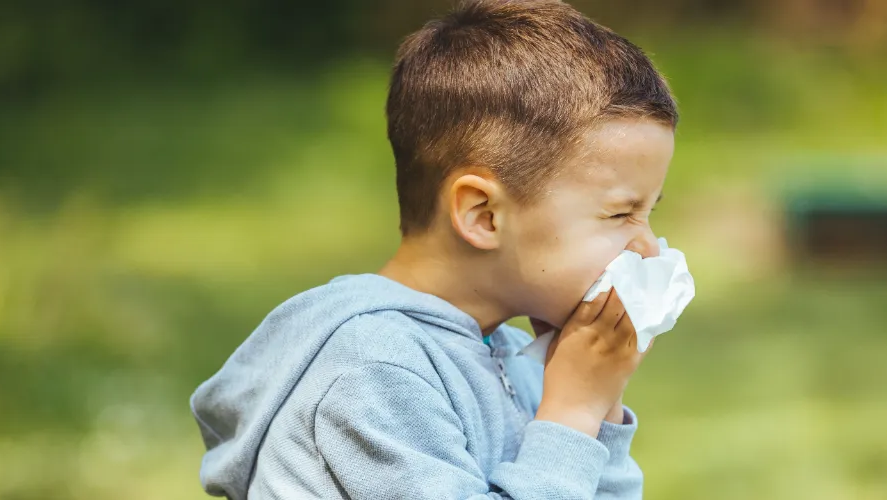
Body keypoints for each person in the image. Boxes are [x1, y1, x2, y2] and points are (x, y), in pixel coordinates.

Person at [191, 0, 679, 498]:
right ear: (483, 215)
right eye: (620, 214)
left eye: (649, 213)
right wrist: (573, 412)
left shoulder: (516, 360)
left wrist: (601, 407)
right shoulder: (372, 367)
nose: (647, 247)